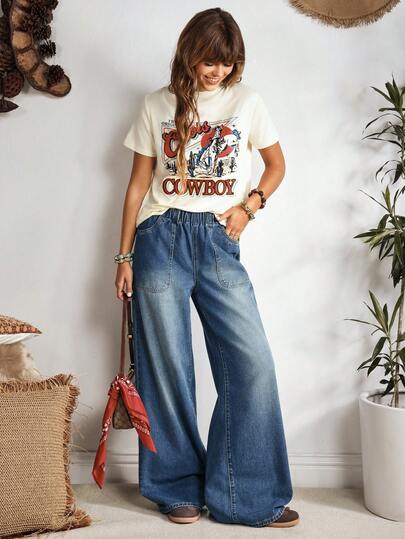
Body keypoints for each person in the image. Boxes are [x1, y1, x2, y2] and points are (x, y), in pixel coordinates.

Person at [115, 7, 300, 529]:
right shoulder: (157, 104)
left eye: (226, 62)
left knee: (252, 365)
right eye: (207, 60)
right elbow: (137, 184)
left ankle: (246, 496)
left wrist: (249, 207)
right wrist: (124, 256)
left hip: (218, 241)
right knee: (167, 368)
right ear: (189, 54)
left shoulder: (247, 102)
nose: (216, 71)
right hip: (160, 236)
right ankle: (176, 488)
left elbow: (277, 165)